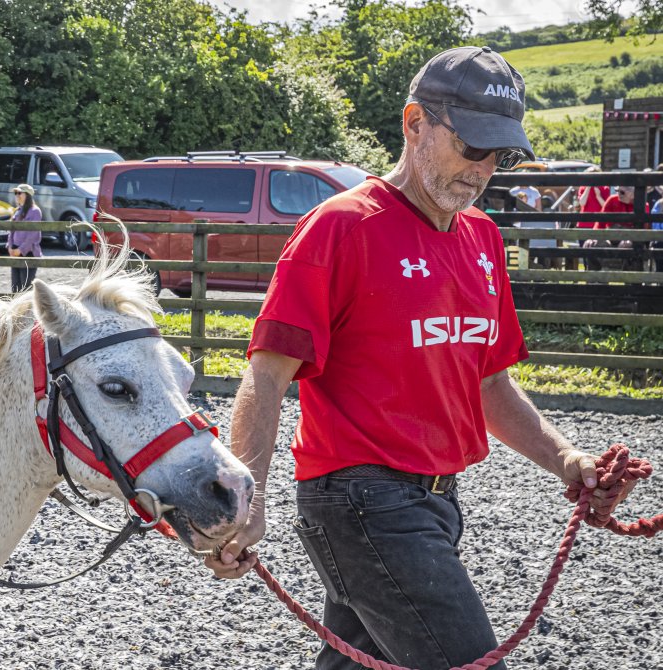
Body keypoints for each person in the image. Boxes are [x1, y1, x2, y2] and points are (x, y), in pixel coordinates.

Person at [205, 46, 630, 670]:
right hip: (361, 501)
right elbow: (266, 374)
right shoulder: (341, 228)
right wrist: (249, 497)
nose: (483, 169)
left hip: (435, 503)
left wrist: (566, 459)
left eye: (499, 155)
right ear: (414, 124)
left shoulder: (483, 239)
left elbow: (488, 383)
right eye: (471, 146)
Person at [6, 183, 44, 292]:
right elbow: (11, 230)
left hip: (29, 253)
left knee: (26, 286)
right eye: (16, 193)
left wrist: (21, 250)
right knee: (15, 287)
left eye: (19, 193)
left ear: (27, 195)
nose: (17, 195)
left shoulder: (35, 211)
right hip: (15, 251)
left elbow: (33, 235)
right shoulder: (17, 211)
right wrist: (10, 247)